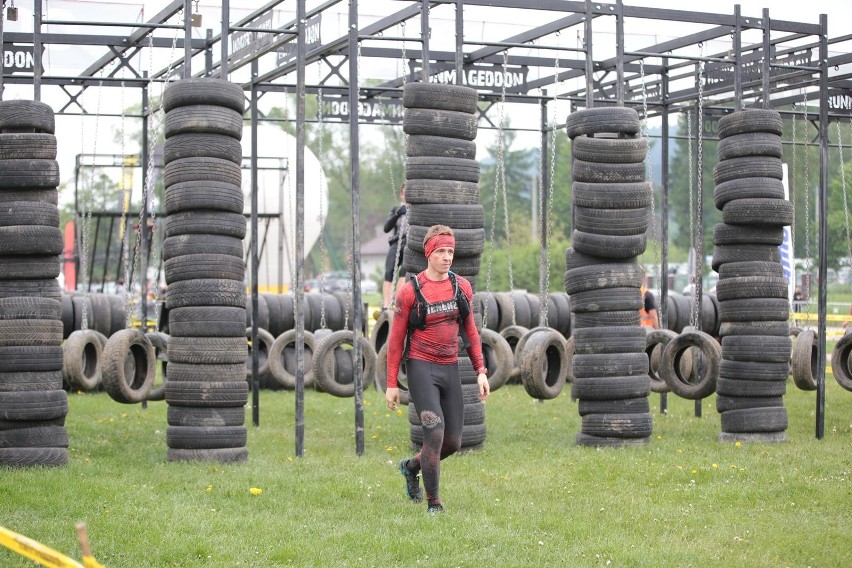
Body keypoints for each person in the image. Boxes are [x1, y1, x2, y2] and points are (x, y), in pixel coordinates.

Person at [385, 224, 490, 513]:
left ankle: (411, 466)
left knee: (453, 442)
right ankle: (434, 503)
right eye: (441, 251)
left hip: (449, 367)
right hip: (421, 367)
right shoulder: (410, 292)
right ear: (429, 252)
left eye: (450, 251)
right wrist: (392, 383)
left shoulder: (461, 287)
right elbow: (395, 342)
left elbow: (470, 332)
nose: (447, 257)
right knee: (434, 432)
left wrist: (481, 370)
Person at [381, 184, 408, 311]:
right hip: (396, 242)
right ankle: (386, 305)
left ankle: (398, 304)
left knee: (404, 273)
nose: (406, 196)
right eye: (404, 193)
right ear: (401, 194)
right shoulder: (396, 209)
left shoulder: (418, 210)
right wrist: (397, 214)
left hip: (409, 243)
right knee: (389, 272)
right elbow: (386, 228)